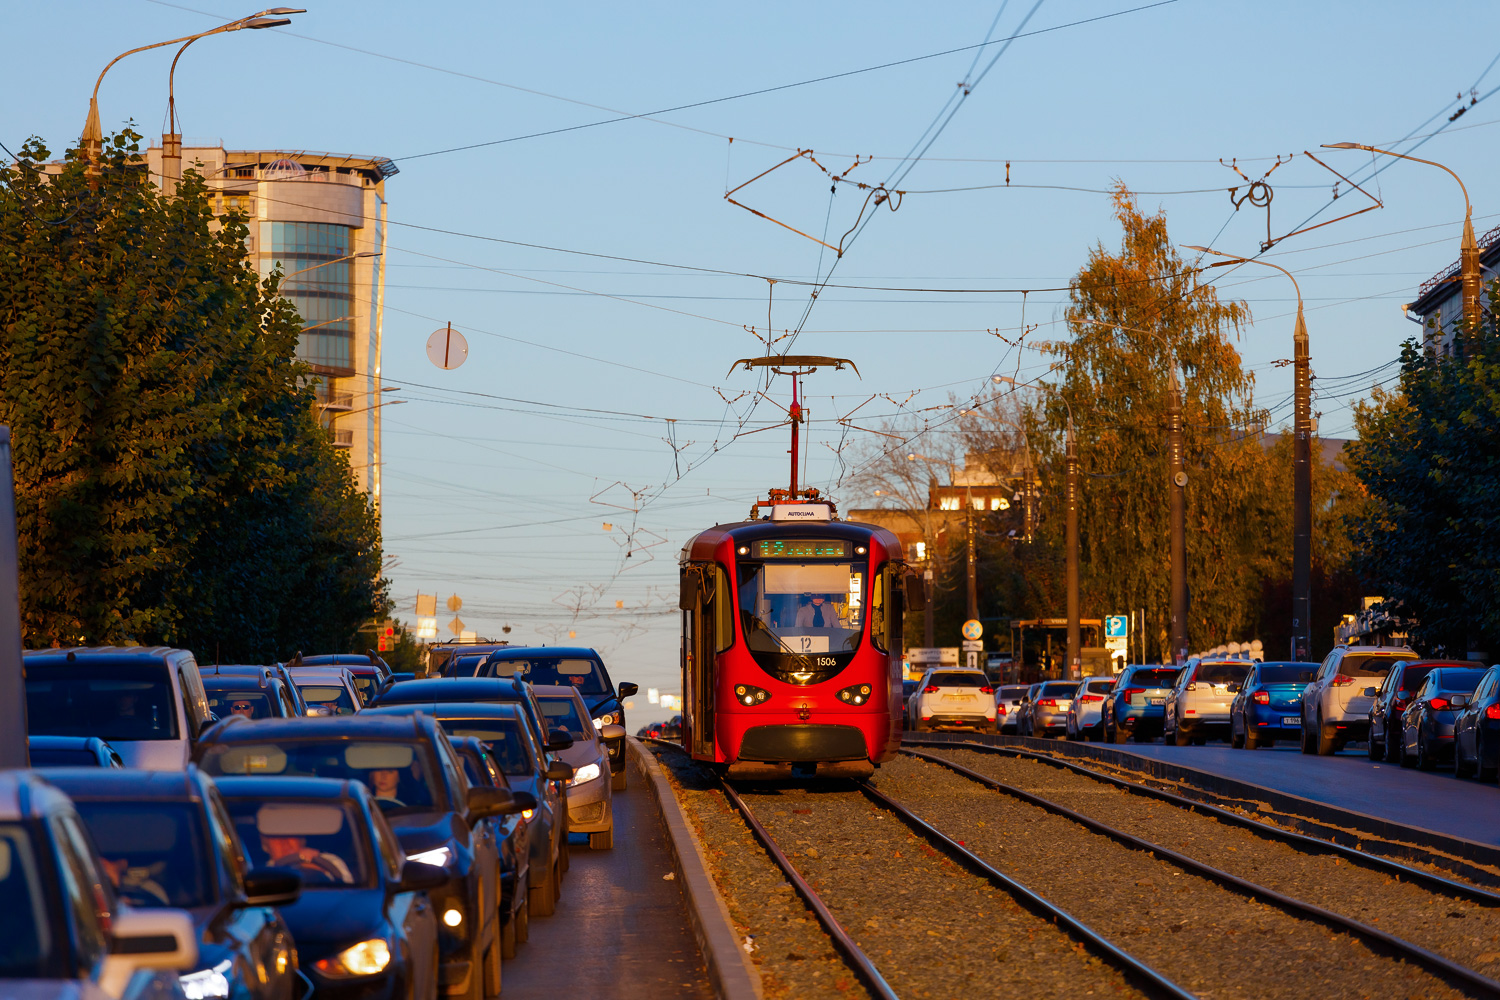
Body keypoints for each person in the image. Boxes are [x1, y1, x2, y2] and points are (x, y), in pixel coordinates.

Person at [260, 834, 353, 884]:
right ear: (266, 846)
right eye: (275, 837)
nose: (284, 842)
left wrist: (318, 868)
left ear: (301, 840)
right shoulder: (264, 874)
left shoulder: (331, 861)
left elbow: (349, 894)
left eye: (290, 834)